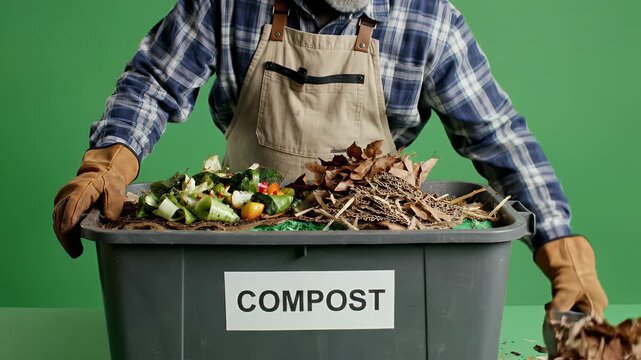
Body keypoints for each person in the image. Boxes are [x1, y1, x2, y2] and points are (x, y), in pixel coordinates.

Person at [53, 0, 607, 319]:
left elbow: (496, 134)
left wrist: (561, 249)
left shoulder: (428, 18)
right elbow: (153, 81)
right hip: (235, 255)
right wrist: (108, 164)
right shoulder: (227, 3)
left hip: (374, 255)